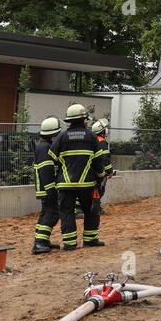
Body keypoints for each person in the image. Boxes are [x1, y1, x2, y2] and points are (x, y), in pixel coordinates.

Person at [49, 104, 109, 250]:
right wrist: (100, 177)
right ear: (83, 119)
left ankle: (70, 244)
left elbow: (52, 158)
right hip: (87, 184)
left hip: (65, 185)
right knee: (91, 211)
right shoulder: (91, 137)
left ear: (69, 120)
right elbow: (98, 162)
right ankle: (90, 240)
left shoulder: (61, 137)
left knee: (67, 213)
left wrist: (57, 177)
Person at [31, 116, 63, 255]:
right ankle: (40, 243)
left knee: (45, 213)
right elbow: (46, 171)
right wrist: (51, 190)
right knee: (53, 213)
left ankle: (42, 240)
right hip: (47, 188)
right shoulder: (45, 148)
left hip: (44, 188)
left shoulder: (43, 146)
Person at [88, 117, 115, 233]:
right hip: (99, 171)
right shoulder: (102, 142)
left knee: (93, 190)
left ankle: (94, 207)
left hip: (89, 171)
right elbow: (105, 159)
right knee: (99, 190)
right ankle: (96, 208)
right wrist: (109, 171)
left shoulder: (92, 140)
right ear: (102, 131)